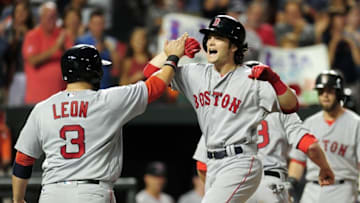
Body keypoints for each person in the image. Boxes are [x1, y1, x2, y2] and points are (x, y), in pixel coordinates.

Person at [11, 32, 188, 203]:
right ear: (95, 73)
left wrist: (18, 199)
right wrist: (172, 57)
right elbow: (155, 87)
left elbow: (23, 160)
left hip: (52, 193)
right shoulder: (108, 101)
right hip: (92, 192)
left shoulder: (43, 108)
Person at [143, 15, 299, 202]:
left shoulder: (251, 78)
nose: (211, 42)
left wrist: (275, 81)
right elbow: (151, 74)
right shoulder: (196, 73)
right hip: (213, 163)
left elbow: (291, 105)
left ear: (234, 46)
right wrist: (174, 54)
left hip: (240, 161)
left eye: (219, 38)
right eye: (209, 37)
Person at [192, 111, 334, 203]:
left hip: (238, 181)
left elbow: (202, 166)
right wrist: (324, 167)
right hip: (272, 184)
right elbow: (310, 146)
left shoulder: (226, 110)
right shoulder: (281, 109)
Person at [288, 70, 360, 203]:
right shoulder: (309, 123)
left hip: (343, 189)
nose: (325, 95)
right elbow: (298, 160)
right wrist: (291, 183)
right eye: (321, 92)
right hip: (312, 190)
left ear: (339, 93)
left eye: (330, 91)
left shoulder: (356, 123)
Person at [22, 2, 72, 104]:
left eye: (54, 17)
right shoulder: (32, 36)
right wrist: (55, 48)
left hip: (60, 100)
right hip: (36, 99)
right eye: (49, 17)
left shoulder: (63, 35)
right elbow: (33, 61)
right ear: (41, 18)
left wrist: (63, 49)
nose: (52, 20)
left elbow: (73, 61)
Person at [76, 8, 120, 89]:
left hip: (106, 87)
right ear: (89, 25)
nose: (98, 27)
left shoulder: (111, 41)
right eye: (95, 24)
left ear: (104, 25)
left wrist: (112, 51)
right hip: (88, 87)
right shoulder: (81, 41)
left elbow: (117, 68)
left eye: (100, 24)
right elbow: (79, 66)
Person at [4, 0, 34, 106]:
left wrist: (27, 35)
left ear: (28, 14)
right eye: (18, 11)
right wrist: (14, 41)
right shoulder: (7, 32)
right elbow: (6, 56)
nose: (20, 14)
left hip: (32, 75)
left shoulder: (35, 32)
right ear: (13, 14)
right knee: (14, 110)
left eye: (23, 11)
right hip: (14, 77)